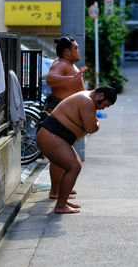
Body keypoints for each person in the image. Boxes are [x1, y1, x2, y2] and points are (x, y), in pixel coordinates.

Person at [36, 86, 117, 214]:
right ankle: (61, 206)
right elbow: (91, 128)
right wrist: (97, 123)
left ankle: (58, 194)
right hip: (51, 135)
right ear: (101, 96)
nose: (102, 108)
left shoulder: (86, 98)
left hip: (55, 136)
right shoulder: (87, 101)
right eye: (105, 105)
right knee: (74, 166)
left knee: (63, 164)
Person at [44, 36, 88, 199]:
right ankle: (55, 190)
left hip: (68, 116)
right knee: (59, 155)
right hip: (60, 115)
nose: (78, 51)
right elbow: (50, 79)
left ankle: (62, 186)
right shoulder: (60, 64)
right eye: (75, 48)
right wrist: (72, 78)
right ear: (66, 51)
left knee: (65, 154)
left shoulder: (69, 65)